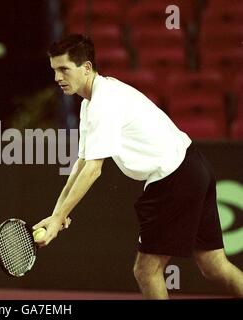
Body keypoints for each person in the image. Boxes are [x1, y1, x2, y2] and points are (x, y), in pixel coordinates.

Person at [33, 34, 243, 299]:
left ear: (86, 67)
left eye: (64, 69)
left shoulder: (103, 103)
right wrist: (57, 215)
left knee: (146, 272)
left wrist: (58, 218)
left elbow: (93, 170)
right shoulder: (91, 103)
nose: (57, 78)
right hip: (193, 166)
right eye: (54, 70)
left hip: (173, 179)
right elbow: (82, 164)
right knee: (215, 267)